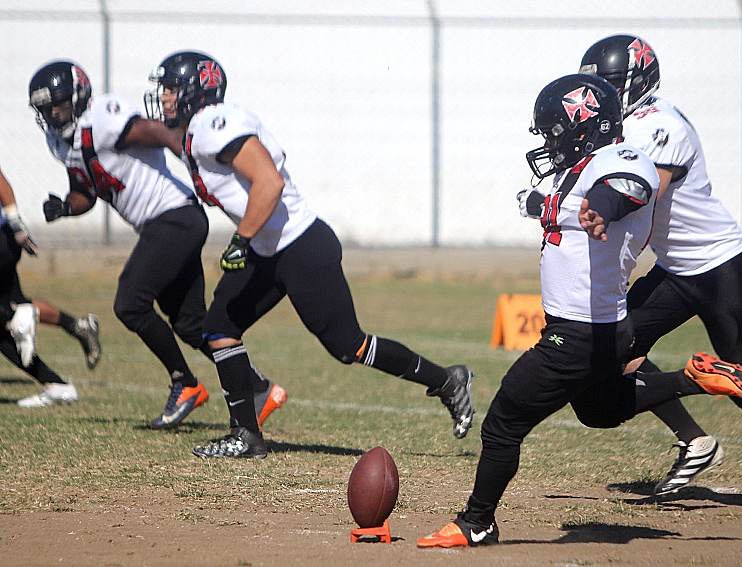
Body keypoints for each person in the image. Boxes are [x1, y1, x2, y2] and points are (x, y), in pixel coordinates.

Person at [417, 74, 742, 548]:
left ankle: (476, 521)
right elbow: (559, 202)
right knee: (600, 409)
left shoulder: (622, 158)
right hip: (606, 330)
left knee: (503, 420)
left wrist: (600, 208)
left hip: (579, 334)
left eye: (554, 133)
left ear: (584, 128)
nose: (548, 143)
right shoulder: (582, 166)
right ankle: (694, 377)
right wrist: (544, 203)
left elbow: (629, 187)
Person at [144, 51, 474, 458]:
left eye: (172, 90)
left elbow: (269, 183)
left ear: (197, 92)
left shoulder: (215, 125)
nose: (164, 99)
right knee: (219, 327)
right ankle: (246, 436)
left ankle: (447, 380)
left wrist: (241, 240)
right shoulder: (199, 131)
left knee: (349, 347)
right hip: (268, 250)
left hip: (300, 247)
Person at [577, 34, 742, 510]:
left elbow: (642, 193)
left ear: (636, 82)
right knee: (619, 347)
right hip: (676, 269)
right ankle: (696, 442)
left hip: (720, 265)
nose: (601, 99)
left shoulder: (659, 124)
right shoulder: (625, 127)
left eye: (608, 87)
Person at [28, 60, 285, 429]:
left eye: (59, 104)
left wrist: (202, 167)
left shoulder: (103, 118)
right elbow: (87, 189)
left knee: (130, 303)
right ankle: (260, 386)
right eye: (46, 109)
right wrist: (67, 206)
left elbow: (165, 134)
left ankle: (185, 383)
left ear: (79, 96)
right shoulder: (60, 141)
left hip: (174, 218)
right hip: (165, 224)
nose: (54, 114)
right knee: (190, 323)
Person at [0, 166, 99, 407]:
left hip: (2, 239)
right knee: (9, 309)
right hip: (5, 240)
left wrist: (16, 224)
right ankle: (58, 383)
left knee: (8, 311)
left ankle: (19, 315)